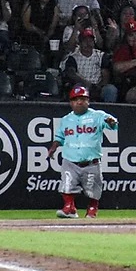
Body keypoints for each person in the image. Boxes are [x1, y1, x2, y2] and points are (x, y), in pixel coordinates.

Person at [47, 85, 118, 219]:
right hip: (70, 160)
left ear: (88, 101)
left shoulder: (97, 115)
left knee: (93, 188)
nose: (79, 102)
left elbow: (112, 123)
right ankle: (70, 208)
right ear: (70, 103)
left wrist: (111, 122)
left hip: (91, 161)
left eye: (83, 99)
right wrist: (54, 147)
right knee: (67, 184)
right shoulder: (66, 119)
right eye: (76, 99)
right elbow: (60, 137)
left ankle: (92, 209)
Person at [61, 28, 119, 102]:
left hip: (98, 86)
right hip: (82, 85)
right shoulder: (73, 57)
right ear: (80, 43)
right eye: (85, 41)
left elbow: (106, 75)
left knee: (110, 89)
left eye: (90, 41)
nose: (88, 43)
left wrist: (98, 87)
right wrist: (87, 84)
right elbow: (72, 74)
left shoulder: (101, 55)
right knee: (77, 88)